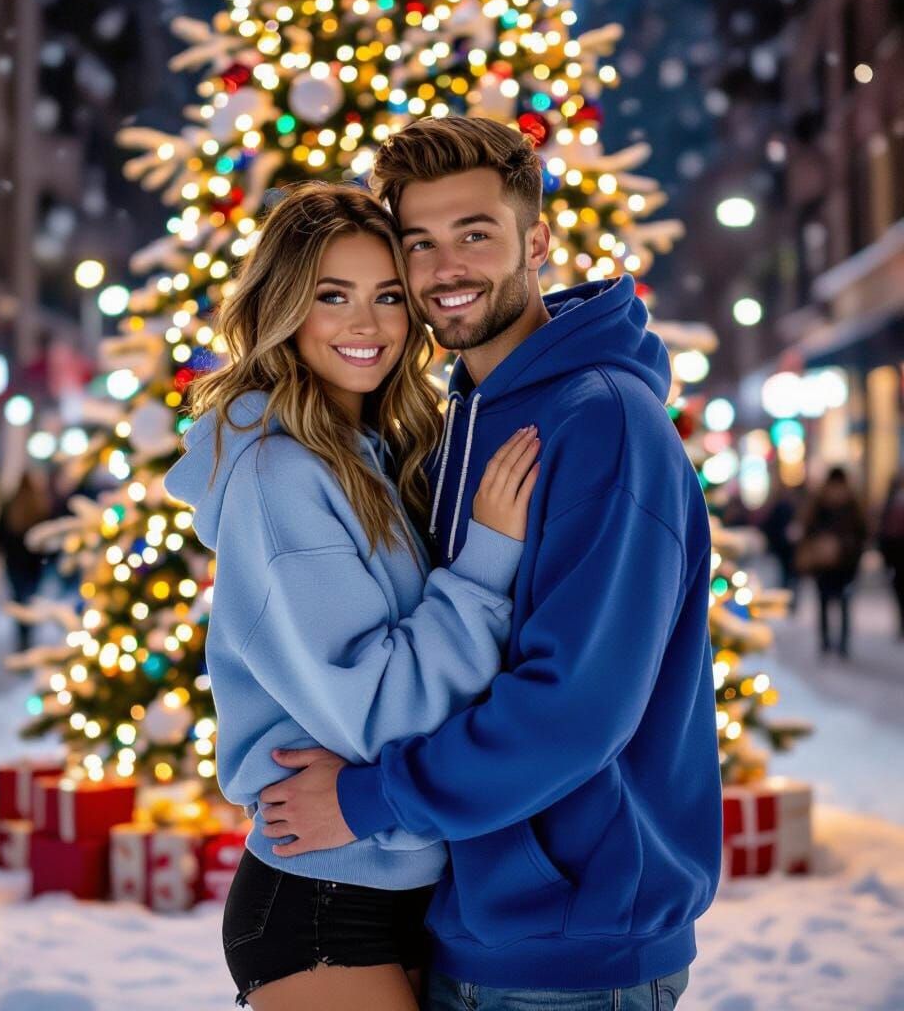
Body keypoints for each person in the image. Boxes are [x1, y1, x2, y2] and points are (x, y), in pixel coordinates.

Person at [260, 117, 722, 1011]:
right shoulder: (455, 421)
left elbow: (574, 708)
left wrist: (369, 800)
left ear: (536, 241)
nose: (445, 269)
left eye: (475, 233)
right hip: (473, 925)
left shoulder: (604, 422)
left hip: (570, 956)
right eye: (419, 242)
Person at [164, 182, 540, 1010]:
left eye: (388, 298)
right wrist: (487, 564)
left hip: (402, 883)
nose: (366, 326)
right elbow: (381, 711)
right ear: (285, 307)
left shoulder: (371, 451)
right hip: (324, 906)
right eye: (332, 297)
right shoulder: (280, 476)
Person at [797, 467, 866, 658]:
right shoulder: (850, 503)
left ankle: (832, 643)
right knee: (837, 604)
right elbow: (862, 533)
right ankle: (836, 643)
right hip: (836, 563)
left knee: (832, 604)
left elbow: (808, 529)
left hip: (836, 563)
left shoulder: (823, 502)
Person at [0, 470, 51, 651]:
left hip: (14, 563)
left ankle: (22, 635)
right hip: (34, 564)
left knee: (18, 599)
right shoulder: (39, 506)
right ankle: (28, 632)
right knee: (30, 598)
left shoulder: (11, 506)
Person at [879, 474, 904, 640]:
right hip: (897, 555)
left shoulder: (892, 504)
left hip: (896, 557)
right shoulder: (892, 505)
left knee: (900, 593)